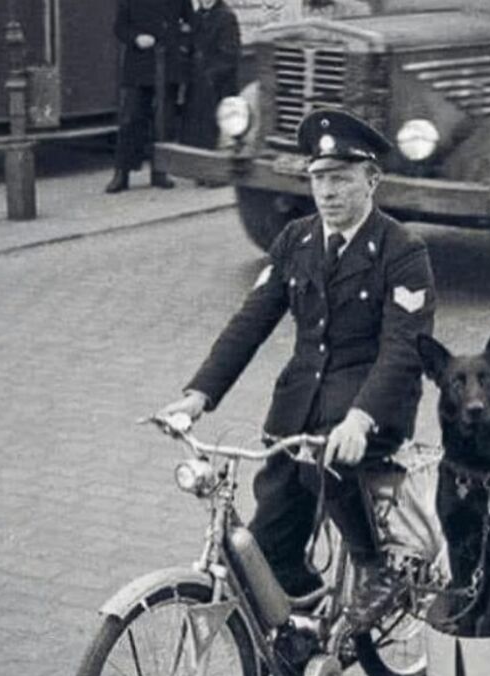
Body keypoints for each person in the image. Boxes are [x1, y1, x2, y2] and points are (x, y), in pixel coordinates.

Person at [158, 109, 436, 627]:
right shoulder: (295, 241)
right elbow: (251, 321)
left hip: (368, 409)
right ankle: (303, 625)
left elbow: (404, 348)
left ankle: (376, 570)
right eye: (319, 179)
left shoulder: (402, 251)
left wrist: (361, 419)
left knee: (324, 463)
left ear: (371, 180)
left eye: (341, 179)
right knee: (263, 549)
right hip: (297, 412)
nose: (327, 193)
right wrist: (198, 394)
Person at [106, 0, 190, 193]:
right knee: (131, 119)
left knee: (163, 121)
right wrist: (136, 38)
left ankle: (160, 172)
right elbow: (120, 28)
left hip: (168, 65)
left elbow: (189, 23)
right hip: (139, 66)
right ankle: (122, 173)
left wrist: (178, 43)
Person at [180, 0, 240, 153]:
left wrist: (209, 75)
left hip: (217, 87)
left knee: (212, 134)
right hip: (197, 83)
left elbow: (229, 55)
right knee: (195, 135)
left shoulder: (226, 17)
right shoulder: (198, 16)